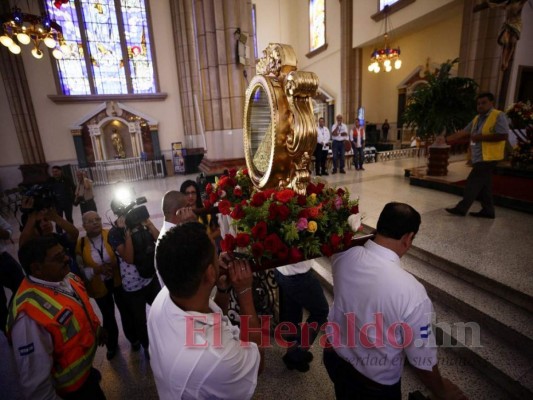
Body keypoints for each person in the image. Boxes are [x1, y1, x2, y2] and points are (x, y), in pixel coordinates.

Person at [324, 202, 466, 400]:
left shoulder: (343, 256)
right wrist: (441, 391)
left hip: (334, 358)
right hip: (373, 384)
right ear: (408, 238)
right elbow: (421, 358)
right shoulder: (413, 293)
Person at [148, 222, 264, 400]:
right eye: (216, 255)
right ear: (210, 273)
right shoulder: (219, 357)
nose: (220, 257)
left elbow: (213, 319)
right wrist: (245, 294)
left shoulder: (164, 296)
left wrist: (223, 290)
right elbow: (258, 362)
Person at [7, 236, 106, 399]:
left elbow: (79, 306)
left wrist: (96, 329)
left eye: (64, 253)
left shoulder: (65, 277)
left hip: (85, 375)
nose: (67, 259)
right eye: (58, 258)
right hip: (71, 392)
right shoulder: (28, 316)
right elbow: (36, 386)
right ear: (37, 268)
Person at [107, 201, 161, 357]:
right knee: (140, 321)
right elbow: (129, 258)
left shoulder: (140, 223)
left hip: (150, 277)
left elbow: (159, 240)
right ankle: (147, 347)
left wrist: (149, 224)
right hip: (133, 286)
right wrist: (127, 233)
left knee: (161, 309)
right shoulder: (114, 233)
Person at [445, 92, 509, 219]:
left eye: (484, 103)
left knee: (472, 182)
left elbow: (503, 135)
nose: (480, 106)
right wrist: (446, 140)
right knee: (485, 185)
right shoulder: (477, 118)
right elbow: (464, 132)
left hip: (489, 157)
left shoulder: (498, 115)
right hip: (479, 156)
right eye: (478, 103)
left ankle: (461, 208)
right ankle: (488, 210)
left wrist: (480, 137)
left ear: (491, 103)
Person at [76, 211, 126, 360]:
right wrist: (95, 270)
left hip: (117, 280)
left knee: (125, 309)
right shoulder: (81, 243)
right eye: (90, 221)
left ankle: (134, 338)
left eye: (97, 219)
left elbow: (122, 254)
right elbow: (80, 269)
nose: (96, 223)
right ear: (84, 225)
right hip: (99, 285)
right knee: (108, 315)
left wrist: (114, 264)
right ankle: (112, 345)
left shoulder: (110, 234)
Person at [274, 260, 329, 372]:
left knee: (293, 310)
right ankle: (296, 354)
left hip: (282, 269)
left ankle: (293, 350)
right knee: (321, 312)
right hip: (298, 274)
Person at [19, 206, 81, 276]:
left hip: (76, 281)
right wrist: (31, 218)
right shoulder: (33, 249)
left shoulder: (56, 237)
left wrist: (55, 217)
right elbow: (22, 248)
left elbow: (74, 233)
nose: (44, 224)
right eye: (38, 223)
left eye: (46, 219)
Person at [155, 191, 196, 285]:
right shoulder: (173, 239)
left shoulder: (169, 231)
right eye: (188, 207)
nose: (191, 209)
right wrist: (193, 225)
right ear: (179, 211)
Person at [473, 0, 528, 71]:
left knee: (512, 42)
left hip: (516, 24)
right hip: (508, 24)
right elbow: (496, 6)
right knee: (505, 43)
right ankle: (503, 62)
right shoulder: (507, 5)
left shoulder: (520, 3)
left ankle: (507, 61)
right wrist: (488, 5)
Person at [0, 216, 24, 334]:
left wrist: (3, 233)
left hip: (2, 258)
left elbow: (8, 231)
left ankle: (23, 319)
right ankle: (8, 331)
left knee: (22, 286)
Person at [48, 166, 76, 230]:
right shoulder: (50, 180)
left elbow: (74, 188)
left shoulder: (67, 179)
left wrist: (73, 199)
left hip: (67, 203)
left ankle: (71, 230)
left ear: (60, 171)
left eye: (56, 171)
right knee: (58, 220)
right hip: (57, 204)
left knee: (69, 218)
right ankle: (59, 233)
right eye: (53, 172)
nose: (54, 173)